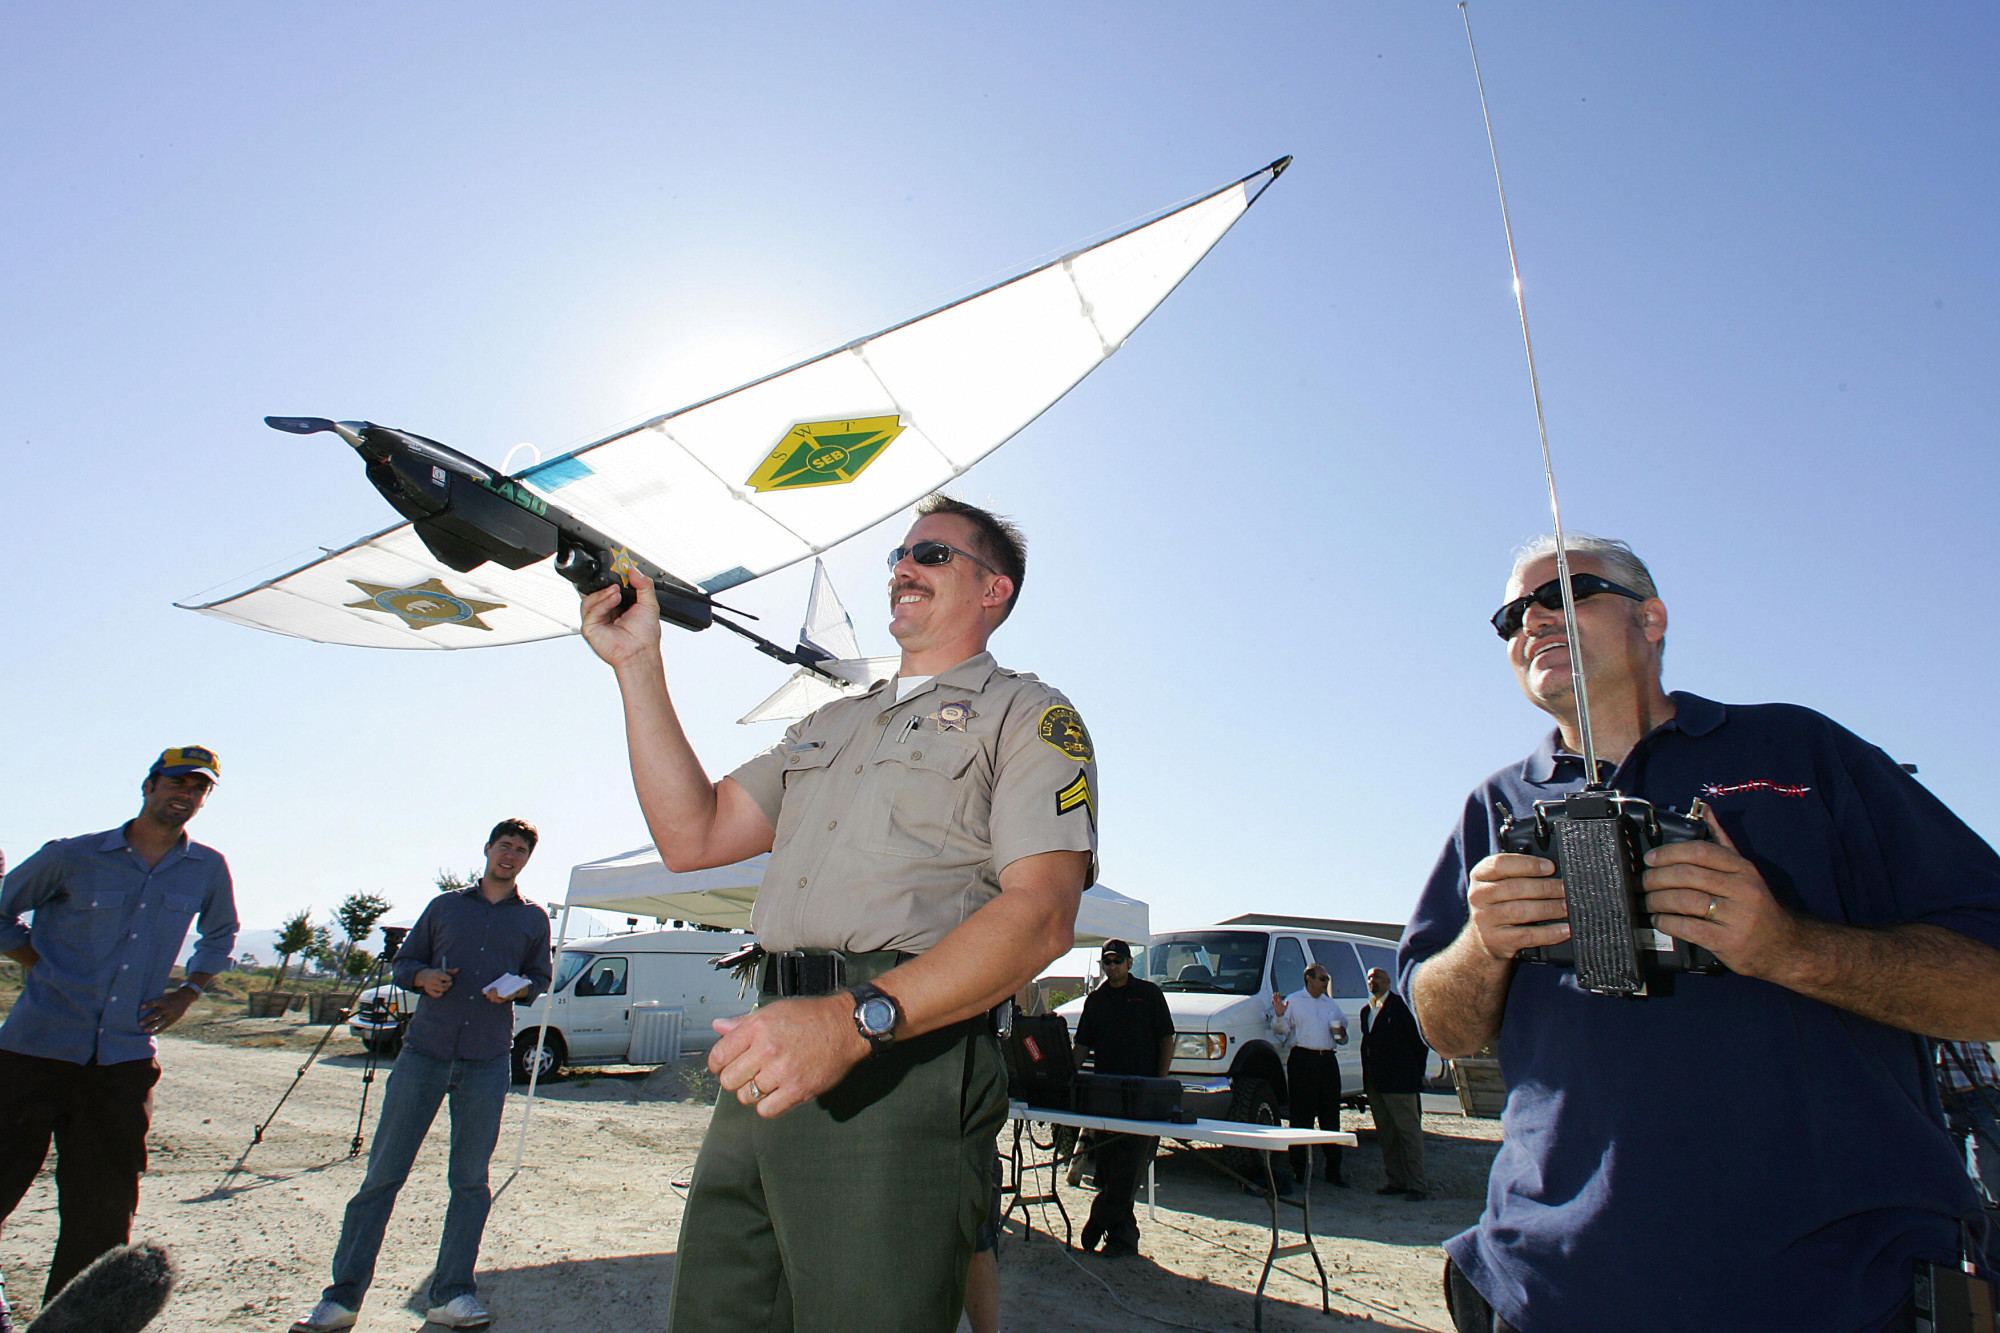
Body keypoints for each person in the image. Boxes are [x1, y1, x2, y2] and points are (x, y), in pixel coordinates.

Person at [1402, 534, 2000, 1333]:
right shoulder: (1495, 808)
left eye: (1565, 592)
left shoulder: (1801, 754)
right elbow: (1440, 1023)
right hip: (1552, 1294)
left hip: (1844, 1295)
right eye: (1511, 613)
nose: (1531, 619)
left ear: (1651, 619)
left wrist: (1789, 946)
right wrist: (1485, 942)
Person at [580, 494, 1096, 1333]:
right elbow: (691, 831)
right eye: (898, 553)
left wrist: (857, 1020)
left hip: (899, 1052)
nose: (902, 567)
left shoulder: (1029, 715)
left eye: (931, 555)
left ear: (993, 589)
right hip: (772, 1040)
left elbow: (1042, 916)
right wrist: (638, 664)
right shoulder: (830, 721)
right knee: (718, 1312)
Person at [0, 747, 239, 1330]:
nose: (184, 794)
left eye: (198, 788)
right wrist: (39, 962)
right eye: (175, 782)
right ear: (148, 785)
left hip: (123, 1063)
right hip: (34, 1051)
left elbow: (221, 933)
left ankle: (72, 1324)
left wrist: (190, 992)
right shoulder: (71, 856)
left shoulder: (205, 867)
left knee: (101, 1214)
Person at [290, 819, 552, 1333]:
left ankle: (452, 1295)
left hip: (486, 1060)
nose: (511, 856)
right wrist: (422, 977)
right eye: (505, 846)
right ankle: (341, 1299)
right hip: (424, 1055)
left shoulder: (533, 919)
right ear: (488, 849)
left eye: (521, 851)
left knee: (471, 1183)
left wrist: (517, 989)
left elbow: (540, 979)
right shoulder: (444, 907)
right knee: (382, 1177)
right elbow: (404, 962)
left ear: (526, 860)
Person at [1071, 939, 1174, 1257]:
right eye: (1107, 962)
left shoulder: (1149, 994)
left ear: (1130, 963)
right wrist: (1067, 1079)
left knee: (1130, 1164)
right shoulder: (1096, 1001)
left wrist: (1160, 1082)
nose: (1112, 967)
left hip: (1143, 1096)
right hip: (1106, 1094)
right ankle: (1123, 1238)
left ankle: (1099, 1216)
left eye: (1118, 961)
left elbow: (1167, 1037)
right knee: (1109, 1166)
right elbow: (1082, 1045)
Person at [1270, 962, 1348, 1188]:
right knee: (1302, 1117)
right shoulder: (1294, 1001)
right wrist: (1279, 1016)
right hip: (1303, 1060)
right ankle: (1300, 1171)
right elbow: (1281, 1033)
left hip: (1327, 1060)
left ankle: (1334, 1171)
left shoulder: (1330, 1004)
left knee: (1331, 1117)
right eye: (1322, 979)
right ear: (1309, 978)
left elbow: (1343, 1036)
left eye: (1327, 979)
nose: (1326, 983)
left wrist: (1341, 1035)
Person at [1359, 967, 1428, 1201]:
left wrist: (1416, 1074)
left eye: (1377, 976)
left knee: (1408, 1133)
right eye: (1369, 977)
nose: (1372, 980)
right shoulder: (1366, 1011)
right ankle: (1396, 1181)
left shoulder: (1402, 1008)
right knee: (1386, 1134)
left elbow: (1419, 1043)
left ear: (1389, 981)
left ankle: (1417, 1185)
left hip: (1401, 1082)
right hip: (1376, 1082)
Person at [1936, 1040, 2000, 1209]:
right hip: (1949, 1090)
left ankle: (1989, 1208)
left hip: (1983, 1086)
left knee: (1988, 1149)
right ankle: (1978, 1211)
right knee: (1955, 1154)